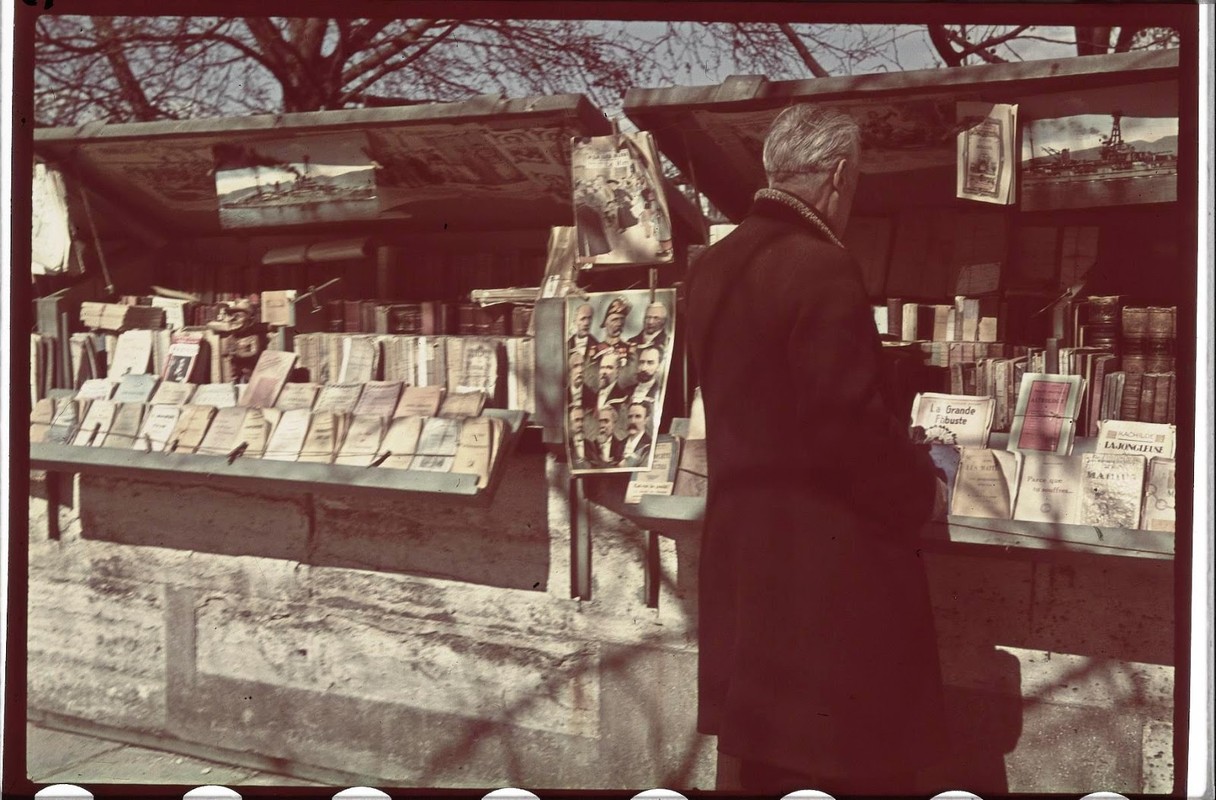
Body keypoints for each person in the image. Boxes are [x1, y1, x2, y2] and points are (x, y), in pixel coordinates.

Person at [685, 104, 949, 796]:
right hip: (826, 581)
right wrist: (923, 485)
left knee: (769, 767)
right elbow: (848, 431)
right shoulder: (821, 267)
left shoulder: (714, 266)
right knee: (848, 769)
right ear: (838, 176)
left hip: (751, 563)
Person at [618, 400, 654, 468]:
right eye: (630, 416)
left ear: (646, 419)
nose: (632, 421)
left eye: (638, 416)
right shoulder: (619, 445)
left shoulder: (651, 445)